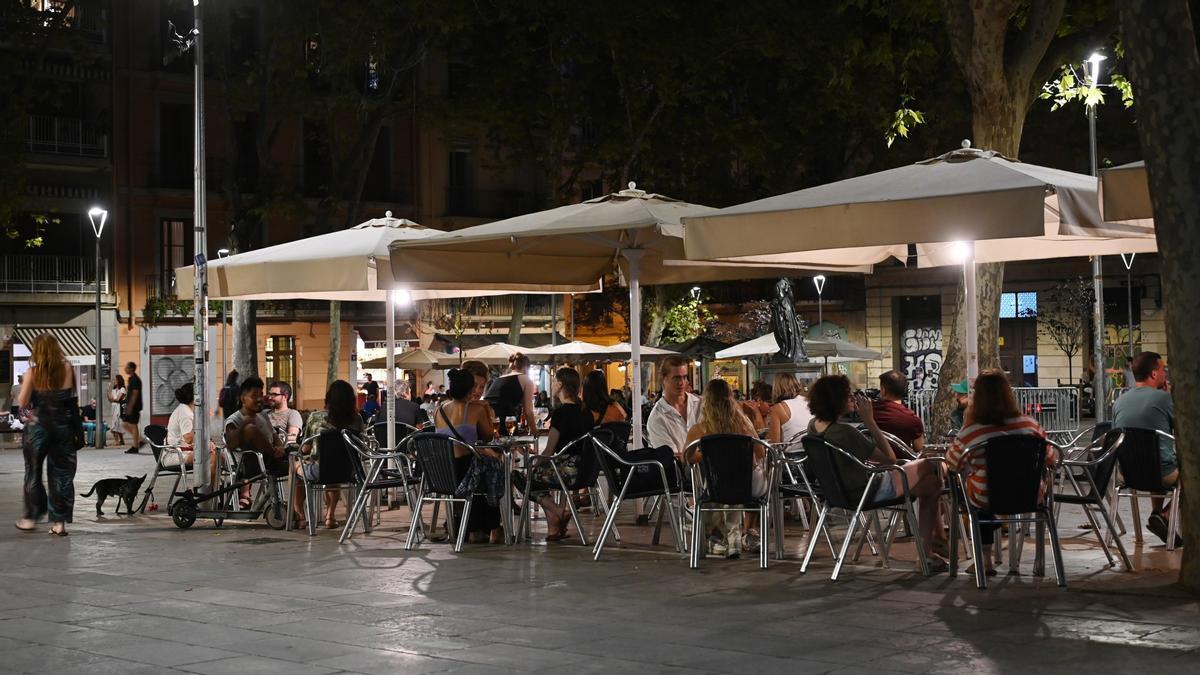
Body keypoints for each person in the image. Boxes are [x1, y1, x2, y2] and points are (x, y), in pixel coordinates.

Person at [807, 374, 948, 572]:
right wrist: (870, 421)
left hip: (838, 493)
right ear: (836, 400)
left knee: (932, 485)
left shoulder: (812, 428)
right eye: (848, 396)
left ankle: (929, 552)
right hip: (868, 490)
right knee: (930, 465)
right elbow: (890, 458)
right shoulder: (845, 432)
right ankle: (930, 549)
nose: (853, 399)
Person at [945, 370, 1054, 575]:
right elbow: (1051, 459)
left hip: (986, 498)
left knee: (971, 491)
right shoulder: (1030, 425)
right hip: (1030, 496)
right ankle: (1039, 563)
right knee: (982, 488)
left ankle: (984, 560)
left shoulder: (972, 431)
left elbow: (952, 464)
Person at [684, 378, 769, 558]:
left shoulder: (699, 430)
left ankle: (719, 537)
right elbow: (761, 453)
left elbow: (689, 458)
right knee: (734, 478)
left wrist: (709, 454)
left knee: (721, 480)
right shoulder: (744, 423)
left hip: (718, 487)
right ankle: (736, 537)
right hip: (751, 485)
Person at [14, 333, 80, 536]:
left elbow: (23, 402)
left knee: (33, 472)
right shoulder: (68, 368)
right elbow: (72, 400)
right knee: (61, 474)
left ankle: (31, 518)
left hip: (38, 428)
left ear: (37, 351)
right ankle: (59, 523)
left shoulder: (32, 373)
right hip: (63, 426)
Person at [521, 367, 594, 542]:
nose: (552, 384)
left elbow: (549, 451)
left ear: (560, 385)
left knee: (526, 477)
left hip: (566, 471)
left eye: (554, 381)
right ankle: (553, 527)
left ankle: (558, 511)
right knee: (540, 474)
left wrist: (532, 462)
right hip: (586, 470)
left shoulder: (561, 413)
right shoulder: (587, 412)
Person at [1112, 350, 1177, 544]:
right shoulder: (1164, 399)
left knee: (1153, 458)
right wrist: (1167, 397)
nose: (1165, 373)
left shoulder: (1120, 401)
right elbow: (1183, 428)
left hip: (1128, 473)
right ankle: (1165, 515)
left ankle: (1156, 512)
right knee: (1189, 474)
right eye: (1163, 369)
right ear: (1154, 374)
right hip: (1161, 473)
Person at [435, 369, 503, 543]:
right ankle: (491, 527)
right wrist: (486, 409)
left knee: (484, 465)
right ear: (471, 389)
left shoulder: (439, 410)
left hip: (442, 473)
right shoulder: (476, 409)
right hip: (464, 473)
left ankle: (471, 527)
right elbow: (488, 436)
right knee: (493, 467)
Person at [295, 380, 365, 529]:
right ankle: (330, 516)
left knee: (295, 467)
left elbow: (305, 449)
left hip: (321, 470)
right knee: (335, 471)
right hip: (349, 471)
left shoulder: (315, 417)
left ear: (328, 399)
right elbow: (361, 446)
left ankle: (300, 515)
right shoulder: (357, 419)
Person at [224, 377, 287, 509]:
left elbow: (274, 436)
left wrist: (280, 447)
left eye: (261, 395)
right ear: (243, 399)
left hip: (269, 461)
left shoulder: (262, 415)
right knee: (250, 430)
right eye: (254, 396)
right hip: (249, 466)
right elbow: (230, 445)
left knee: (299, 466)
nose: (259, 399)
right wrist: (244, 426)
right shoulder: (234, 419)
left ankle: (296, 510)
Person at [164, 382, 218, 486]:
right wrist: (205, 420)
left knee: (219, 456)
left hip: (181, 451)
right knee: (210, 458)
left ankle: (213, 489)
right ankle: (208, 491)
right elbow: (188, 438)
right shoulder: (185, 412)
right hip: (174, 454)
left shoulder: (186, 409)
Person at [647, 355, 701, 459]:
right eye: (676, 378)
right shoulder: (657, 418)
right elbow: (673, 459)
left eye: (684, 377)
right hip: (678, 474)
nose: (681, 383)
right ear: (664, 379)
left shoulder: (701, 404)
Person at [484, 352, 537, 435]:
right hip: (506, 421)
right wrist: (534, 431)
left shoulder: (499, 378)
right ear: (526, 367)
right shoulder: (526, 379)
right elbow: (528, 411)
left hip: (486, 419)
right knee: (512, 447)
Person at [872, 370, 925, 453]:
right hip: (902, 464)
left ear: (883, 390)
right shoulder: (913, 420)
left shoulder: (869, 410)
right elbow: (919, 450)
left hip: (869, 463)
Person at [766, 372, 811, 448]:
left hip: (791, 457)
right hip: (813, 453)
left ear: (776, 388)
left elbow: (774, 444)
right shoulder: (809, 401)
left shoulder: (778, 408)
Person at [264, 381, 303, 447]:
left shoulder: (293, 414)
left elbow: (292, 438)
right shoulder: (264, 413)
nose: (270, 397)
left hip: (281, 451)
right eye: (269, 394)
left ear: (285, 396)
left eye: (274, 395)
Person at [121, 361, 143, 454]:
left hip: (134, 406)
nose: (125, 369)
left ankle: (135, 446)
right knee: (125, 424)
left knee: (133, 425)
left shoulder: (135, 380)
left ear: (131, 369)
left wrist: (130, 406)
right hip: (130, 406)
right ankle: (139, 441)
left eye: (126, 367)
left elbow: (135, 394)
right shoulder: (131, 379)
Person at [108, 374, 126, 446]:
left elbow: (118, 399)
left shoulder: (122, 389)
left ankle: (117, 441)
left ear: (119, 380)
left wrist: (113, 399)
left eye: (115, 380)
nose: (114, 381)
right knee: (117, 424)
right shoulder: (114, 390)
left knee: (115, 424)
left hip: (119, 407)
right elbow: (110, 399)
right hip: (113, 407)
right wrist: (108, 389)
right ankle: (121, 440)